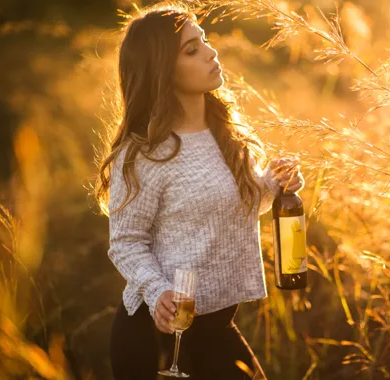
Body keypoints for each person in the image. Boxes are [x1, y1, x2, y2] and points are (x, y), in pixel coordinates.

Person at [93, 3, 305, 380]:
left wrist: (274, 184)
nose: (211, 52)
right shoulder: (143, 153)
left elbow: (234, 205)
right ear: (163, 71)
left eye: (204, 41)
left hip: (215, 328)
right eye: (192, 50)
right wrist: (158, 292)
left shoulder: (226, 133)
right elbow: (125, 241)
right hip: (155, 339)